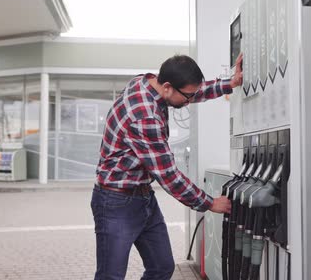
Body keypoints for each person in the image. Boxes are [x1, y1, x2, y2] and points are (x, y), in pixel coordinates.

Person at [91, 53, 243, 280]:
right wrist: (209, 203)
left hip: (143, 198)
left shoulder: (147, 81)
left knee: (161, 268)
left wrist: (229, 84)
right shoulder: (145, 117)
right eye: (188, 97)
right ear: (168, 87)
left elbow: (192, 90)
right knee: (110, 276)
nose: (190, 102)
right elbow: (169, 176)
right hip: (116, 202)